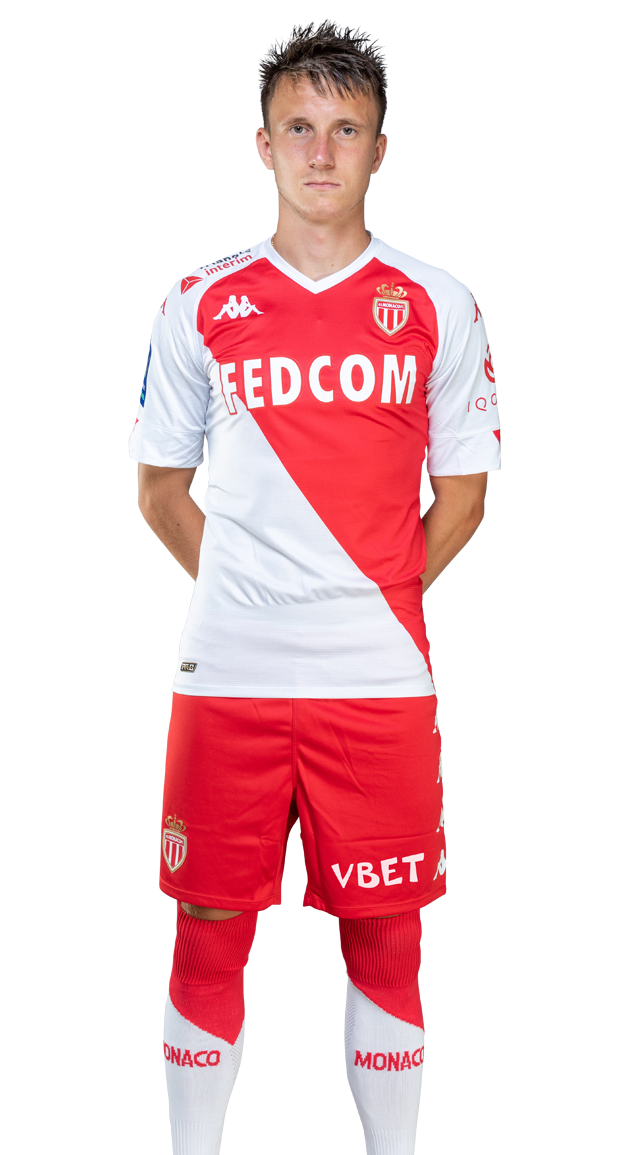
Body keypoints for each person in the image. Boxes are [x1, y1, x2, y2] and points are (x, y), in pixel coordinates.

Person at [129, 18, 500, 1155]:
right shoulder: (200, 301)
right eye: (299, 128)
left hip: (378, 678)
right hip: (225, 677)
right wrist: (249, 596)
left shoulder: (438, 302)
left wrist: (368, 597)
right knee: (206, 925)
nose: (321, 152)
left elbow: (463, 498)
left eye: (346, 129)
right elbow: (160, 491)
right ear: (262, 145)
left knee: (387, 934)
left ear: (380, 149)